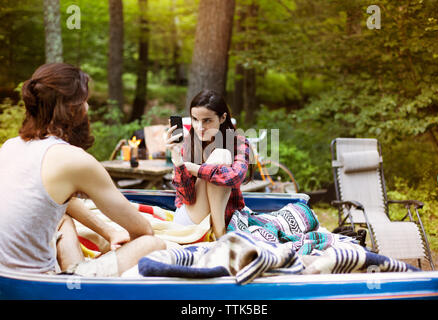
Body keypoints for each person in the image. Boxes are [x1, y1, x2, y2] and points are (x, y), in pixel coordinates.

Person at [0, 63, 165, 277]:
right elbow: (142, 231)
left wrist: (109, 232)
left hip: (5, 279)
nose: (87, 108)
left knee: (62, 219)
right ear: (72, 108)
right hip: (38, 285)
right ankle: (80, 280)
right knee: (152, 244)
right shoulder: (74, 160)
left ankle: (76, 269)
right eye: (84, 101)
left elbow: (61, 202)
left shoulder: (10, 146)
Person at [164, 89, 254, 238]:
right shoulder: (189, 144)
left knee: (222, 154)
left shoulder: (238, 142)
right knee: (221, 155)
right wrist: (177, 158)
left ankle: (219, 231)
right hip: (190, 219)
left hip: (224, 215)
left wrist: (195, 169)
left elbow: (234, 177)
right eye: (195, 119)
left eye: (207, 120)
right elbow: (187, 198)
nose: (200, 127)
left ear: (222, 118)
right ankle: (220, 234)